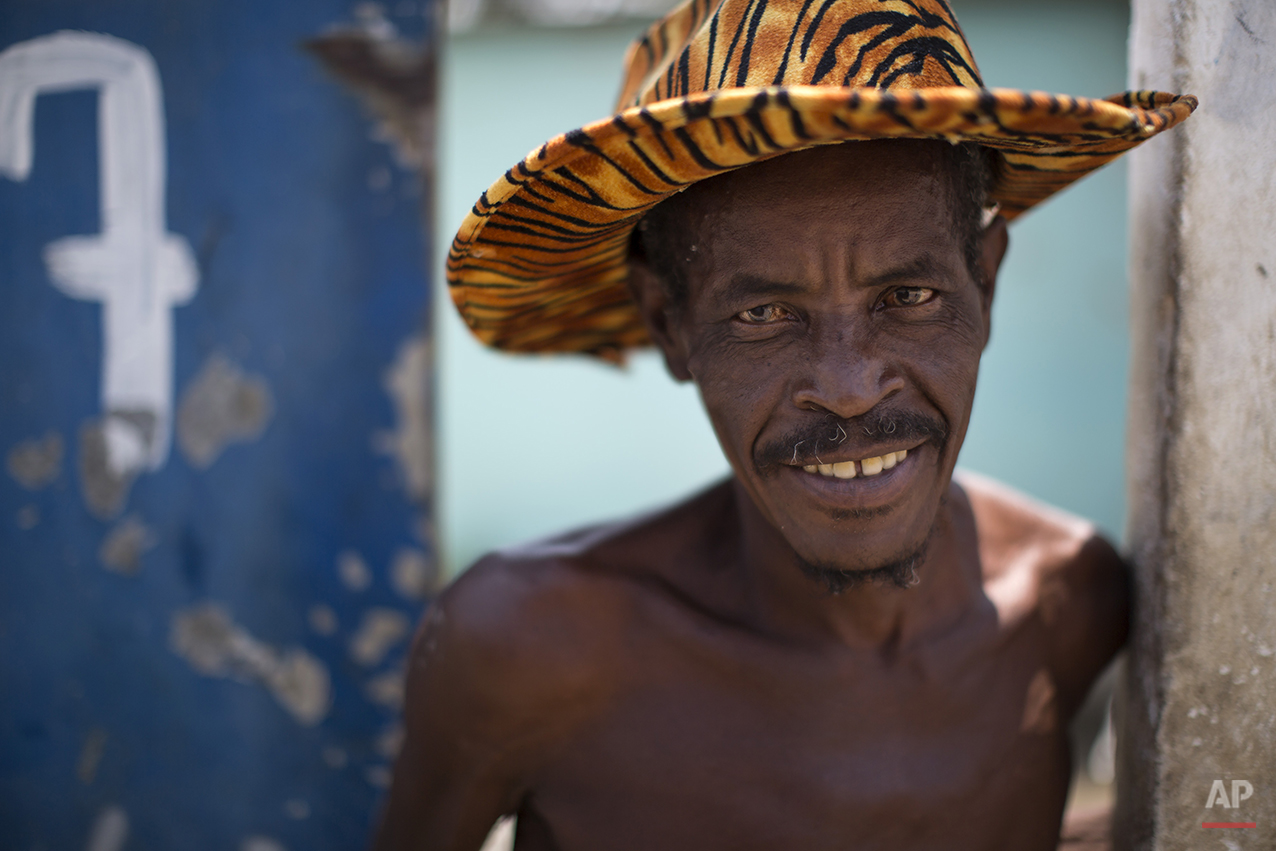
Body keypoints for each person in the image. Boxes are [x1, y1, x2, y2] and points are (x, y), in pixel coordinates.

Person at [376, 1, 1195, 848]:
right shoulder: (531, 655)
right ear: (669, 324)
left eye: (908, 297)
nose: (848, 386)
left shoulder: (1071, 607)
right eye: (765, 312)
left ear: (983, 287)